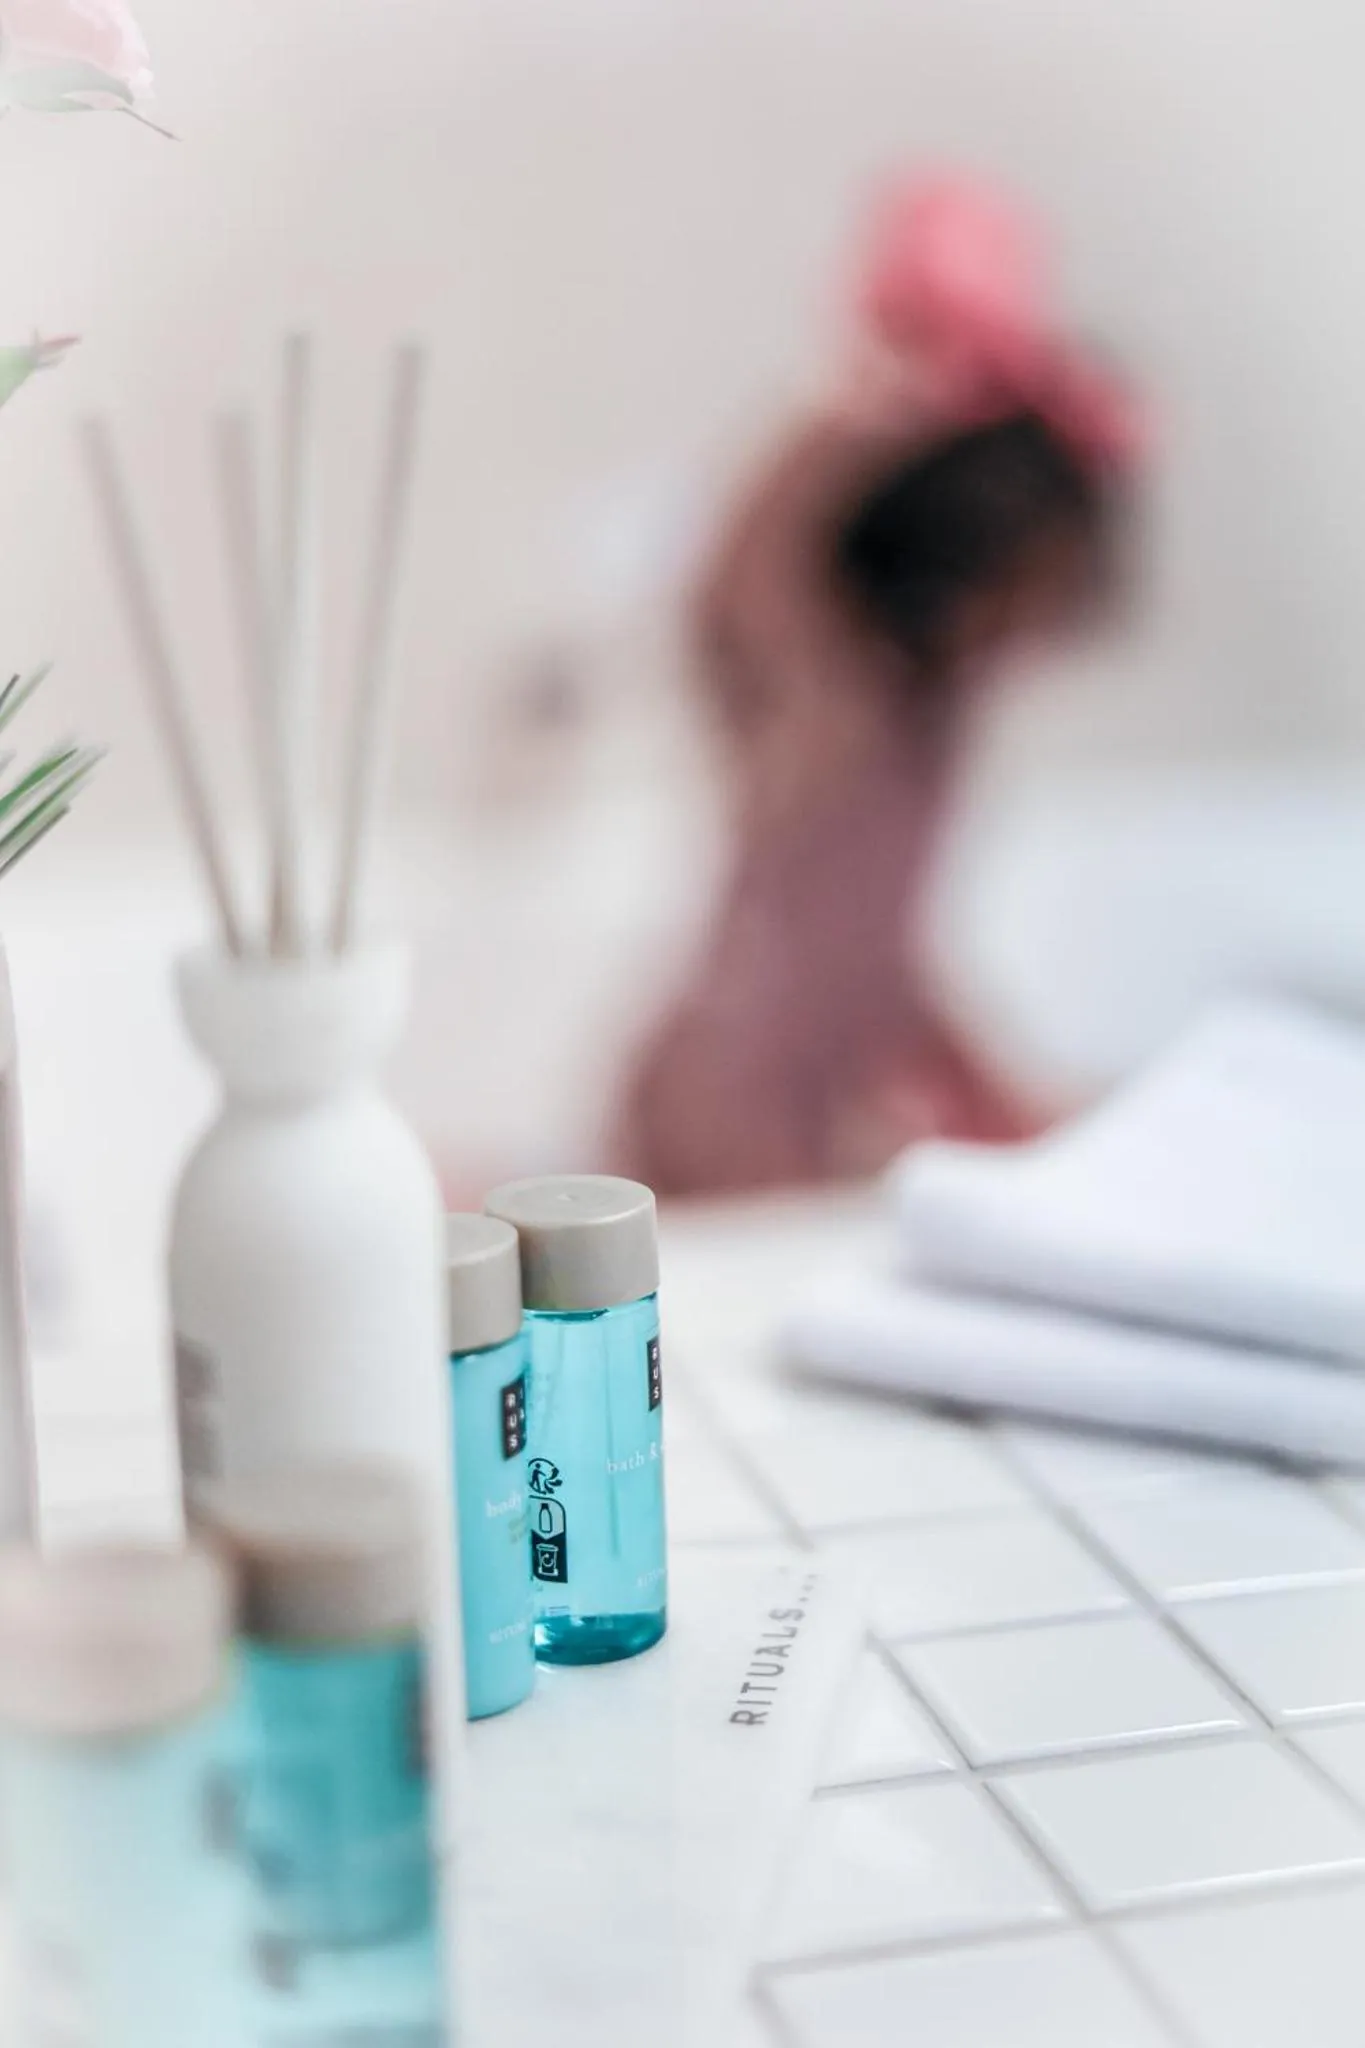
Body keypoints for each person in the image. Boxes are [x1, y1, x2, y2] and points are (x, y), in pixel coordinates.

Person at [615, 175, 1144, 1198]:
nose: (1020, 636)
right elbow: (735, 581)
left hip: (827, 1104)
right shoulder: (823, 704)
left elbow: (880, 957)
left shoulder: (927, 729)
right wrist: (854, 413)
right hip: (720, 1091)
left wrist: (997, 1088)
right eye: (1012, 593)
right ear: (940, 565)